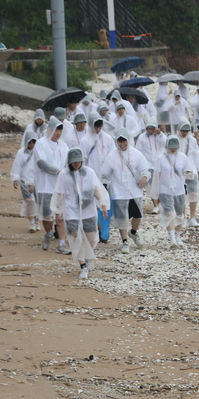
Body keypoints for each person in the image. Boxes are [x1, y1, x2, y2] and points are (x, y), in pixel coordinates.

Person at [50, 148, 109, 280]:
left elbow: (96, 189)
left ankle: (88, 257)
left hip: (88, 210)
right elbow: (59, 193)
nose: (76, 164)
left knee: (92, 238)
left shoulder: (89, 172)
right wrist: (58, 211)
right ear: (69, 162)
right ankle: (82, 266)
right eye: (73, 162)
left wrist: (103, 204)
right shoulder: (64, 175)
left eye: (78, 161)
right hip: (72, 212)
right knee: (77, 239)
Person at [100, 128, 151, 254]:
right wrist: (105, 187)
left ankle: (133, 232)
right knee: (122, 218)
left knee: (138, 216)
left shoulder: (136, 154)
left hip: (135, 191)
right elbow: (104, 173)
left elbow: (145, 169)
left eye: (124, 141)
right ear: (116, 141)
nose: (122, 144)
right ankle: (124, 241)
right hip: (118, 191)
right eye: (120, 141)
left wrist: (144, 178)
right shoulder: (111, 156)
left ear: (128, 140)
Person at [31, 116, 71, 254]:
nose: (58, 133)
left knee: (60, 217)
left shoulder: (64, 146)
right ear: (50, 130)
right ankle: (48, 233)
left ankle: (61, 244)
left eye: (60, 130)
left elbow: (68, 163)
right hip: (45, 186)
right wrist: (57, 170)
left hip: (60, 187)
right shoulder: (40, 144)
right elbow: (41, 162)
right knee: (46, 216)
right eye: (55, 130)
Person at [155, 135, 196, 248]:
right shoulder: (161, 158)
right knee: (169, 213)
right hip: (165, 189)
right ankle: (172, 238)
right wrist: (155, 193)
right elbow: (156, 175)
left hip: (179, 189)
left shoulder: (183, 157)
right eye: (170, 147)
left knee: (179, 215)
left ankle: (177, 236)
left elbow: (190, 172)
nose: (172, 149)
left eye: (175, 147)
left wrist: (187, 173)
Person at [80, 112, 115, 242]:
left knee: (105, 203)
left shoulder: (108, 139)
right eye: (96, 125)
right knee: (92, 206)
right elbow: (82, 159)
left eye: (100, 125)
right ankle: (93, 230)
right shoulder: (85, 140)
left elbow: (112, 157)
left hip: (106, 178)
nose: (98, 128)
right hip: (90, 178)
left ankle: (104, 234)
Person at [135, 118, 167, 214]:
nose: (151, 130)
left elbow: (165, 143)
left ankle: (160, 204)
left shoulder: (159, 136)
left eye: (153, 128)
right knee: (151, 186)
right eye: (149, 128)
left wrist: (160, 134)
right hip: (148, 164)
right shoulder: (142, 137)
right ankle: (156, 205)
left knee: (161, 185)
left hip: (160, 164)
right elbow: (138, 151)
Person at [11, 130, 40, 232]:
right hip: (24, 181)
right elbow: (17, 166)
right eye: (30, 142)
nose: (31, 145)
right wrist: (15, 179)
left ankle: (37, 220)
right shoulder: (21, 153)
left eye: (33, 142)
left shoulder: (39, 152)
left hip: (36, 181)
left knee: (37, 202)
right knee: (29, 202)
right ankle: (31, 222)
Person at [177, 119, 199, 227]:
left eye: (186, 131)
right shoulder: (175, 140)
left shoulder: (192, 140)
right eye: (182, 130)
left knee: (193, 193)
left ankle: (192, 217)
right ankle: (183, 218)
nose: (184, 133)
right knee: (181, 194)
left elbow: (197, 154)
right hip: (179, 171)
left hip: (191, 170)